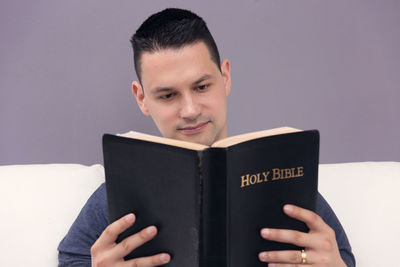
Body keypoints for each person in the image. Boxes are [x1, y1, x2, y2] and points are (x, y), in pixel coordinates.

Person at [58, 8, 355, 267]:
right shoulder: (114, 198)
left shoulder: (286, 184)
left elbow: (341, 257)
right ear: (142, 98)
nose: (189, 110)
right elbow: (72, 259)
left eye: (201, 87)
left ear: (224, 78)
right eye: (167, 95)